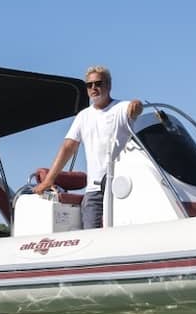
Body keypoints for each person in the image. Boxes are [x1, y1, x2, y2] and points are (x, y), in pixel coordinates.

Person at [36, 65, 145, 228]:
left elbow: (135, 108)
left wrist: (137, 105)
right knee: (91, 234)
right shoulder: (83, 116)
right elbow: (68, 147)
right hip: (94, 189)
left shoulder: (121, 108)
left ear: (108, 85)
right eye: (89, 85)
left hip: (120, 185)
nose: (94, 88)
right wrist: (49, 180)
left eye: (98, 83)